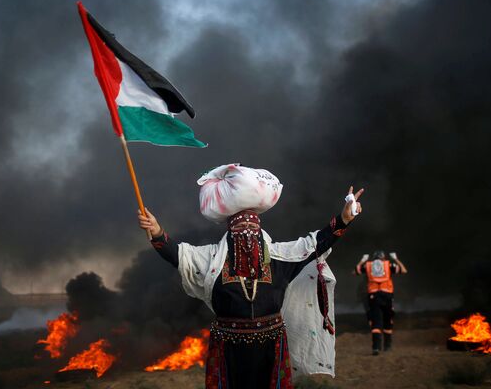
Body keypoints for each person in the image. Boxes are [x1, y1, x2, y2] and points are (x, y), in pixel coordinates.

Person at [138, 166, 363, 389]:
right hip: (229, 348)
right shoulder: (212, 259)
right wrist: (157, 231)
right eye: (239, 230)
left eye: (252, 230)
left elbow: (315, 244)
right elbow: (177, 254)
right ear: (229, 234)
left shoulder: (281, 257)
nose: (247, 235)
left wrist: (343, 219)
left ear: (261, 233)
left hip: (271, 346)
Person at [354, 250, 407, 355]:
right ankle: (387, 347)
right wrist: (395, 259)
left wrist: (362, 260)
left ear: (373, 258)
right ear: (383, 258)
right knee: (388, 320)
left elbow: (355, 271)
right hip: (387, 296)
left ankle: (376, 348)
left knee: (376, 322)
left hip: (374, 296)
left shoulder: (368, 266)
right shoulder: (389, 265)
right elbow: (404, 270)